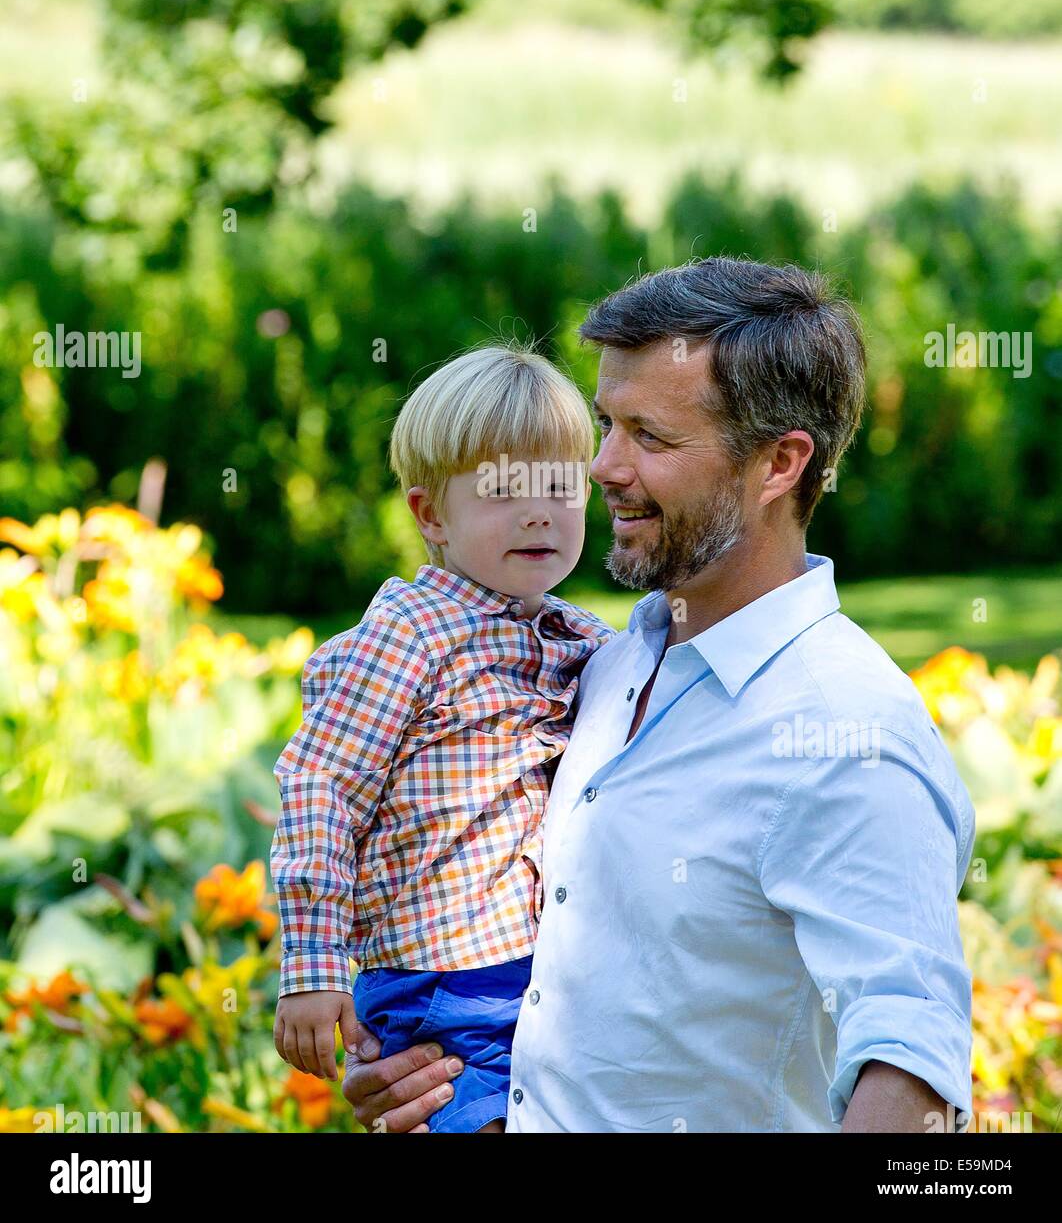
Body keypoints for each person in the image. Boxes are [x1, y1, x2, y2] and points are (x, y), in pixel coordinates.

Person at [341, 256, 977, 1133]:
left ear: (779, 464)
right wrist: (432, 1074)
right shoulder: (602, 663)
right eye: (606, 424)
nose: (600, 467)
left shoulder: (844, 730)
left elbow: (911, 1067)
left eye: (649, 436)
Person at [270, 343, 614, 1132]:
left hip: (538, 973)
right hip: (440, 988)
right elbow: (323, 787)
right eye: (503, 491)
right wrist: (312, 969)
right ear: (431, 515)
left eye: (561, 487)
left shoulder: (582, 638)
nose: (539, 513)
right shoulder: (409, 635)